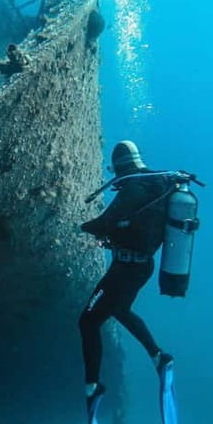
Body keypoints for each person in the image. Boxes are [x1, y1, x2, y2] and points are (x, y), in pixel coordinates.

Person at [79, 140, 175, 409]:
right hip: (142, 266)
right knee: (119, 310)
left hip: (124, 269)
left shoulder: (134, 188)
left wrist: (80, 227)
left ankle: (92, 387)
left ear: (119, 166)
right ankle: (159, 357)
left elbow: (105, 222)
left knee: (87, 322)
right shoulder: (160, 184)